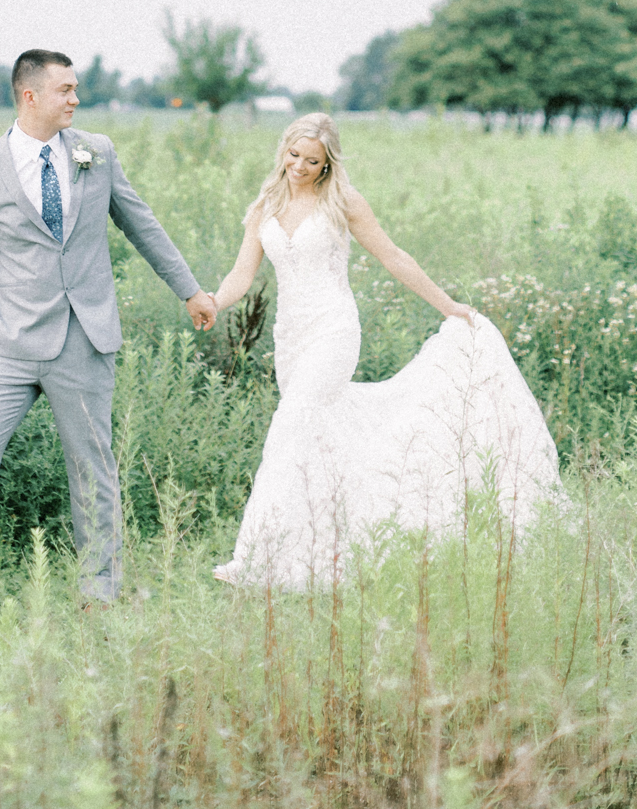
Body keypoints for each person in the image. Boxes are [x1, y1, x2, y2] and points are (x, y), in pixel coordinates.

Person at [0, 49, 218, 610]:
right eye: (66, 90)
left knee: (92, 469)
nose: (76, 99)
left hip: (83, 341)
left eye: (76, 89)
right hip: (5, 347)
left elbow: (140, 222)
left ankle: (99, 593)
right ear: (31, 96)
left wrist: (190, 290)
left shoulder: (95, 153)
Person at [210, 114, 560, 588]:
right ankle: (329, 546)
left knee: (291, 425)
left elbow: (393, 256)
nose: (300, 167)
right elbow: (241, 275)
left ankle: (261, 559)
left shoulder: (344, 204)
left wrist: (448, 304)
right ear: (283, 151)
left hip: (333, 332)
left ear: (327, 162)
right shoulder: (264, 207)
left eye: (312, 160)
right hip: (290, 338)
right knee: (316, 434)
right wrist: (212, 301)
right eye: (293, 156)